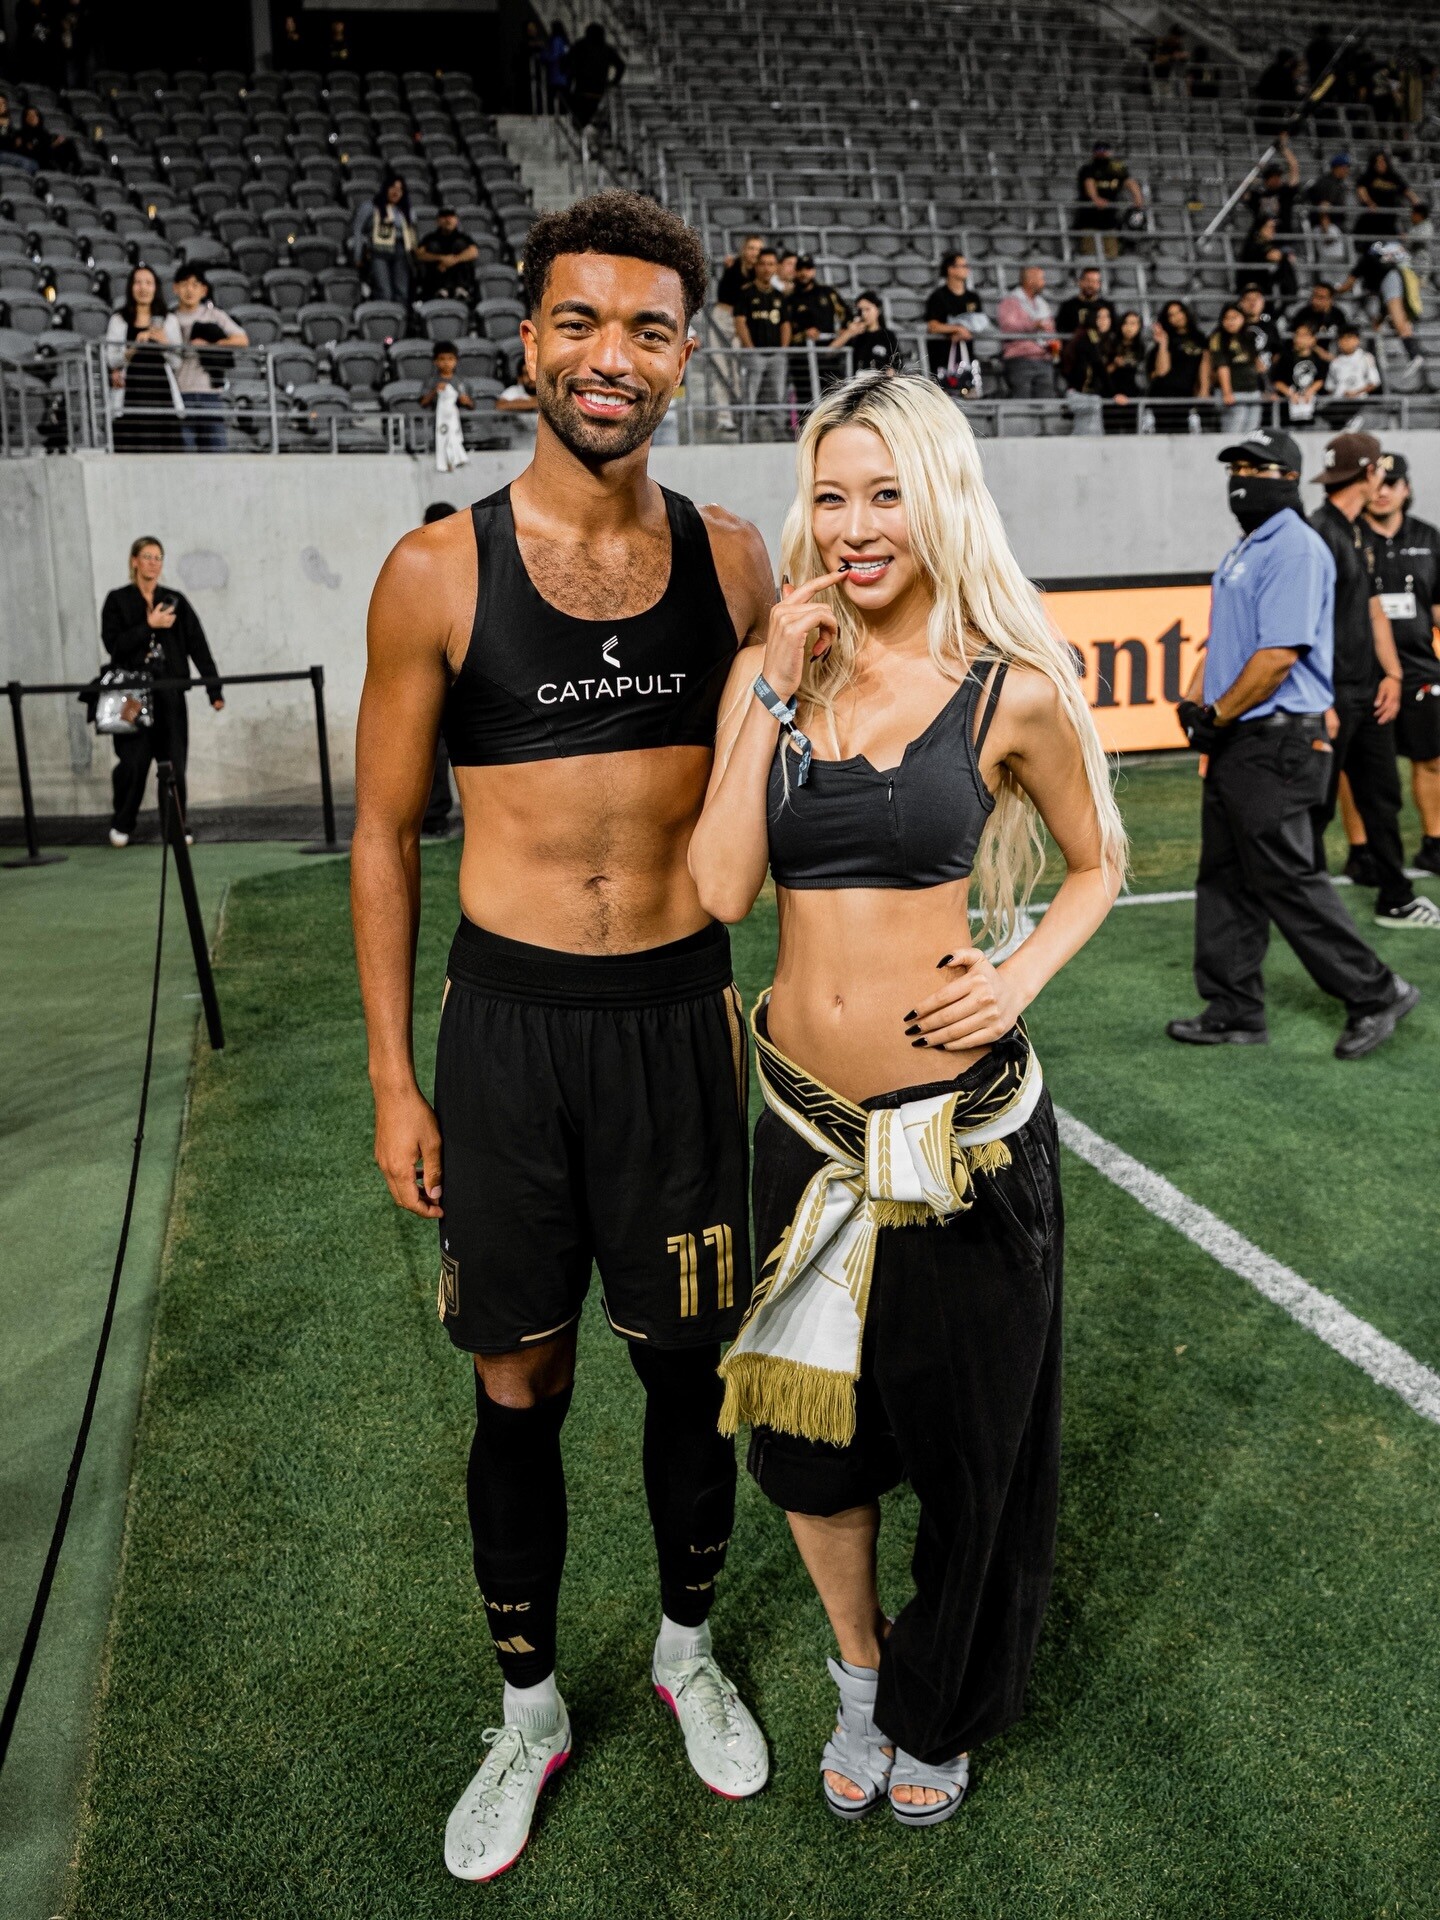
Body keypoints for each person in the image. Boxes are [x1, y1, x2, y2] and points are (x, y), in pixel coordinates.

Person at [351, 191, 776, 1886]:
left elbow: (785, 791)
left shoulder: (735, 560)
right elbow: (384, 836)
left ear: (687, 356)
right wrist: (395, 1076)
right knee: (517, 1380)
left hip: (680, 1020)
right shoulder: (436, 570)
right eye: (582, 323)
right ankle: (526, 1711)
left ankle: (685, 1651)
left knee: (691, 1366)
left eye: (649, 329)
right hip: (510, 1037)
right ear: (527, 342)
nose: (614, 357)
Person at [688, 369, 1125, 1826]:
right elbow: (720, 887)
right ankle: (865, 1675)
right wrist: (768, 679)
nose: (856, 526)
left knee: (967, 1448)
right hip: (801, 1136)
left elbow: (1096, 866)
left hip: (962, 1143)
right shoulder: (779, 672)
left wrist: (1019, 976)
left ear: (937, 500)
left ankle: (939, 1706)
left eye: (885, 494)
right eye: (831, 496)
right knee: (812, 1443)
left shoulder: (1012, 688)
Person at [1166, 427, 1419, 1058]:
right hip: (1241, 739)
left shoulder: (1297, 547)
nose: (1241, 479)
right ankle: (1233, 1008)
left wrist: (1217, 715)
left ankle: (1376, 991)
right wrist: (1199, 707)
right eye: (1236, 467)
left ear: (1288, 478)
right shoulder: (1248, 546)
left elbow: (1278, 655)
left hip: (1275, 741)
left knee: (1288, 879)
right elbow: (1226, 640)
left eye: (1257, 469)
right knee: (1225, 877)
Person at [1308, 431, 1439, 929]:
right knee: (1316, 804)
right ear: (1368, 474)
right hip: (1335, 691)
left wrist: (1393, 673)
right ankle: (1306, 904)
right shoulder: (1321, 532)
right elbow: (1304, 624)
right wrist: (1321, 695)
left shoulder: (1355, 531)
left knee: (1382, 793)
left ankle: (1396, 896)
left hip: (1372, 688)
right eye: (1379, 472)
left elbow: (1372, 609)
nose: (1383, 484)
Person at [101, 535, 224, 847]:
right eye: (147, 556)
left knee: (173, 765)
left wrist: (214, 689)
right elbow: (114, 646)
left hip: (169, 694)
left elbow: (198, 645)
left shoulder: (175, 600)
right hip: (132, 695)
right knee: (133, 763)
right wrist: (150, 625)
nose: (153, 563)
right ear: (134, 561)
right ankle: (122, 823)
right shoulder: (118, 600)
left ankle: (175, 827)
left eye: (158, 558)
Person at [1364, 453, 1440, 873]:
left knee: (1431, 758)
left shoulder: (1429, 537)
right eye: (1377, 482)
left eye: (1392, 483)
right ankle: (1362, 851)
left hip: (1420, 669)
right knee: (1361, 769)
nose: (1383, 491)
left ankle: (1434, 841)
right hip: (1365, 672)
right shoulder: (1351, 537)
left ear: (1406, 489)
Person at [105, 264, 183, 453]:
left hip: (162, 395)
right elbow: (111, 360)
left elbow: (177, 362)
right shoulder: (119, 319)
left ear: (156, 288)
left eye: (148, 283)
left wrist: (165, 344)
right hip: (131, 395)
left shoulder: (169, 320)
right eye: (138, 283)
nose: (143, 288)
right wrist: (132, 349)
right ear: (131, 287)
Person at [171, 263, 248, 453]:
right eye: (184, 284)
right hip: (180, 393)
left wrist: (211, 345)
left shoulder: (214, 315)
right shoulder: (169, 318)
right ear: (175, 288)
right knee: (185, 454)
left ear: (203, 290)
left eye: (195, 285)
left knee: (216, 454)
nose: (189, 290)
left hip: (210, 394)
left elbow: (242, 339)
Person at [420, 500, 459, 839]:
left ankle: (434, 814)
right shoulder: (422, 565)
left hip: (448, 666)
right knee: (433, 746)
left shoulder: (423, 564)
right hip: (441, 667)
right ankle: (434, 814)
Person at [1338, 238, 1425, 382]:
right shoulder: (1376, 262)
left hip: (1391, 281)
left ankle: (1414, 355)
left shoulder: (1365, 261)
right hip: (1391, 284)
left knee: (1398, 319)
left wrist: (1334, 291)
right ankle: (1382, 356)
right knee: (1381, 322)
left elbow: (1347, 286)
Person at [734, 244, 787, 439]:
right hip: (754, 354)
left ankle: (779, 433)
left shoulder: (779, 296)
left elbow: (785, 324)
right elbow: (740, 322)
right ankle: (746, 434)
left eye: (771, 264)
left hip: (776, 355)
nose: (767, 268)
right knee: (749, 395)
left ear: (776, 267)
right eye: (763, 264)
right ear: (756, 266)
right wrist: (750, 348)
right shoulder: (746, 293)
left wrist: (783, 349)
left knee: (778, 395)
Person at [782, 254, 849, 406]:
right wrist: (804, 334)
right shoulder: (789, 299)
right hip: (801, 358)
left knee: (833, 398)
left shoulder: (827, 292)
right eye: (800, 269)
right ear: (795, 271)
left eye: (808, 269)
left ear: (813, 271)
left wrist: (843, 330)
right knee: (805, 401)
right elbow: (785, 331)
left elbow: (846, 314)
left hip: (828, 354)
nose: (804, 273)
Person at [352, 171, 416, 305]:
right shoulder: (370, 207)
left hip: (401, 252)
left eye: (400, 189)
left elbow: (412, 234)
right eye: (393, 187)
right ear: (385, 188)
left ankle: (399, 317)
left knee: (402, 291)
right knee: (384, 291)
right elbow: (358, 230)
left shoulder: (406, 210)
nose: (396, 192)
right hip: (378, 251)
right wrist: (358, 255)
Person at [1072, 140, 1144, 258]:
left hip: (1109, 221)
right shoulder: (1088, 169)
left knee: (1111, 254)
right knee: (1090, 255)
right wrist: (1095, 198)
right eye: (1099, 150)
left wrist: (1138, 198)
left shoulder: (1117, 169)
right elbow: (1089, 183)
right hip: (1089, 219)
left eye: (1104, 150)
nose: (1102, 153)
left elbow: (1130, 182)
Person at [923, 251, 986, 384]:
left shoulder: (973, 297)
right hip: (942, 356)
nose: (967, 269)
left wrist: (965, 332)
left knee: (969, 387)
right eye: (962, 266)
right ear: (950, 269)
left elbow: (980, 323)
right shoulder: (938, 297)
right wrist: (957, 329)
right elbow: (933, 326)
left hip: (967, 354)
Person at [996, 266, 1057, 402]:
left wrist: (1054, 345)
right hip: (1020, 359)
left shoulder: (1042, 304)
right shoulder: (1011, 302)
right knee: (1022, 402)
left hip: (1043, 358)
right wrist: (1033, 325)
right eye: (1041, 279)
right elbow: (1008, 327)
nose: (1044, 282)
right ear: (1030, 281)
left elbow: (1050, 329)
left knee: (1046, 402)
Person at [1146, 300, 1207, 431]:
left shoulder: (1200, 338)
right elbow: (1162, 371)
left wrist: (1203, 393)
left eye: (1179, 312)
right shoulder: (1166, 339)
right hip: (1163, 397)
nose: (1177, 317)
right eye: (1171, 315)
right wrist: (1163, 343)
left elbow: (1204, 369)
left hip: (1186, 397)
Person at [1206, 302, 1264, 437]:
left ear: (1242, 318)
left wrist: (1265, 388)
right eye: (1227, 318)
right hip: (1234, 392)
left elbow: (1257, 364)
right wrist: (1227, 392)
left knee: (1252, 432)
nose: (1231, 322)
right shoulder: (1218, 338)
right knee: (1233, 432)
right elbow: (1222, 366)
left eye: (1235, 317)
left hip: (1252, 390)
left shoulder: (1248, 336)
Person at [1061, 301, 1114, 435]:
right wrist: (1113, 393)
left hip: (1088, 394)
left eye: (1107, 317)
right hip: (1082, 394)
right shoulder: (1089, 337)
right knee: (1091, 435)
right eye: (1099, 317)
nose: (1104, 321)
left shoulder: (1102, 340)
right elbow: (1098, 365)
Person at [421, 341, 473, 472]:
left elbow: (472, 405)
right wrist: (434, 391)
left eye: (450, 359)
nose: (446, 362)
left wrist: (466, 401)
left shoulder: (462, 381)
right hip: (437, 424)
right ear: (435, 361)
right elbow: (423, 402)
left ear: (456, 361)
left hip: (458, 424)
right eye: (442, 359)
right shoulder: (431, 381)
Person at [566, 20, 625, 130]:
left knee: (579, 120)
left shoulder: (580, 45)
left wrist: (571, 76)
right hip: (598, 90)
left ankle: (582, 131)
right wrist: (614, 82)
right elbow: (621, 65)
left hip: (582, 89)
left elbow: (566, 61)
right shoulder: (607, 49)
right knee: (592, 116)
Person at [414, 207, 481, 302]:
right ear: (438, 221)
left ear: (456, 220)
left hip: (459, 278)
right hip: (437, 279)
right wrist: (441, 258)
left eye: (451, 216)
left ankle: (461, 289)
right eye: (444, 217)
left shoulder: (463, 237)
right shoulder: (430, 238)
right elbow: (419, 255)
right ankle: (439, 289)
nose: (448, 220)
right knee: (433, 246)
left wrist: (453, 260)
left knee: (460, 245)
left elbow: (474, 252)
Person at [831, 290, 903, 375]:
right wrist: (849, 333)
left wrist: (890, 373)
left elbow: (897, 363)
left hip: (880, 379)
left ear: (878, 309)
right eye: (860, 310)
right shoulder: (856, 336)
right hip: (857, 379)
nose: (863, 314)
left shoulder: (888, 335)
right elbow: (830, 352)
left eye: (867, 309)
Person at [1271, 320, 1324, 428]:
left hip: (1311, 409)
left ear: (1313, 339)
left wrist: (1310, 391)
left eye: (1304, 335)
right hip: (1287, 410)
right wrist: (1290, 393)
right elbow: (1277, 381)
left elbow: (1320, 379)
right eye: (1297, 335)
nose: (1299, 339)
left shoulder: (1318, 358)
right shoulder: (1286, 357)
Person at [1241, 135, 1300, 231]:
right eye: (1273, 177)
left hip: (1284, 236)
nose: (1277, 179)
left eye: (1278, 176)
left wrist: (1283, 149)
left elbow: (1294, 167)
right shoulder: (1257, 194)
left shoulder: (1285, 192)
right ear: (1266, 178)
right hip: (1264, 236)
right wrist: (1255, 180)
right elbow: (1243, 192)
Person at [1355, 149, 1420, 237]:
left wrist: (1417, 204)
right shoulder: (1367, 176)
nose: (1380, 164)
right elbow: (1361, 191)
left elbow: (1408, 192)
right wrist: (1369, 203)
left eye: (1383, 161)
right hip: (1371, 220)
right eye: (1378, 161)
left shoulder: (1394, 177)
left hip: (1390, 221)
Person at [1322, 322, 1382, 417]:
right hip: (1338, 404)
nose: (1345, 342)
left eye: (1349, 338)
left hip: (1359, 403)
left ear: (1357, 340)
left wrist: (1356, 393)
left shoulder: (1366, 357)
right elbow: (1329, 387)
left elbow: (1374, 382)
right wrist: (1340, 394)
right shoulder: (1335, 362)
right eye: (1342, 338)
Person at [1102, 309, 1147, 433]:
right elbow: (1102, 374)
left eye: (1133, 323)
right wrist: (1115, 365)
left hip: (1133, 395)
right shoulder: (1110, 344)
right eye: (1125, 323)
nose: (1129, 327)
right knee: (1111, 432)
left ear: (1139, 326)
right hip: (1111, 394)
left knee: (1132, 432)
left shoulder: (1141, 347)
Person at [1237, 216, 1298, 303]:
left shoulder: (1264, 243)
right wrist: (1285, 256)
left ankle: (1290, 295)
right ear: (1260, 228)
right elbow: (1274, 255)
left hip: (1263, 285)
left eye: (1274, 227)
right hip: (1253, 286)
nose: (1273, 230)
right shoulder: (1254, 243)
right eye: (1269, 227)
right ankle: (1290, 296)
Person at [1289, 281, 1348, 360]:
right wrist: (1319, 351)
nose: (1315, 301)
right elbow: (1294, 337)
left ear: (1330, 299)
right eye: (1314, 296)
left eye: (1321, 297)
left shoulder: (1338, 315)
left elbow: (1345, 336)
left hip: (1333, 355)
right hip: (1308, 356)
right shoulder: (1304, 314)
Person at [1054, 264, 1111, 338]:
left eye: (1094, 281)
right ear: (1080, 282)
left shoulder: (1108, 306)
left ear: (1099, 284)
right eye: (1088, 280)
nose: (1090, 284)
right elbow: (1060, 331)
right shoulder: (1067, 306)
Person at [1306, 154, 1352, 227]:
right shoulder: (1328, 183)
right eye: (1345, 168)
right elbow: (1324, 207)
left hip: (1333, 224)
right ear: (1337, 168)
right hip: (1327, 226)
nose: (1347, 171)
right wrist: (1326, 231)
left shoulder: (1336, 181)